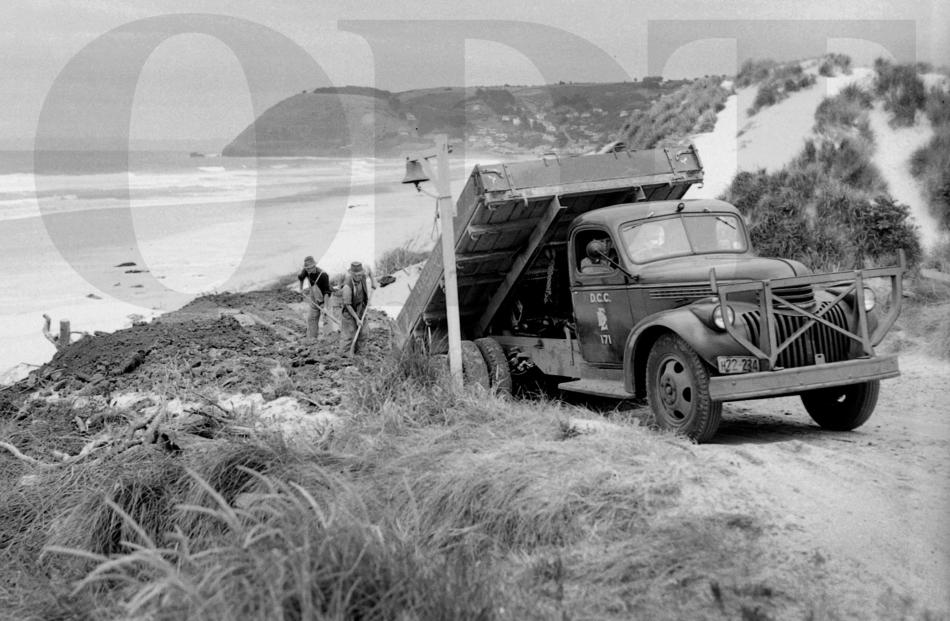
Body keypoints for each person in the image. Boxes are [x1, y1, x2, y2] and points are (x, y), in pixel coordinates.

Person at [341, 261, 371, 353]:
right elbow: (348, 305)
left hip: (361, 308)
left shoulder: (362, 276)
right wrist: (357, 319)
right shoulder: (347, 287)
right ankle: (345, 357)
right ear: (352, 274)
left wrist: (373, 282)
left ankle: (361, 353)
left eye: (360, 274)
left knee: (364, 333)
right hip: (349, 312)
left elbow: (369, 270)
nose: (359, 277)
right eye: (356, 275)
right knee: (349, 335)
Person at [297, 256, 331, 338]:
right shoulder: (306, 270)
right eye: (307, 268)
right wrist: (301, 289)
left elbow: (327, 292)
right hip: (313, 299)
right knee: (311, 319)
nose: (309, 270)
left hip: (324, 300)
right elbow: (301, 277)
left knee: (327, 320)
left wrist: (325, 307)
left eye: (311, 268)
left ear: (314, 265)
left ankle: (329, 339)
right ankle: (312, 339)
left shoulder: (323, 275)